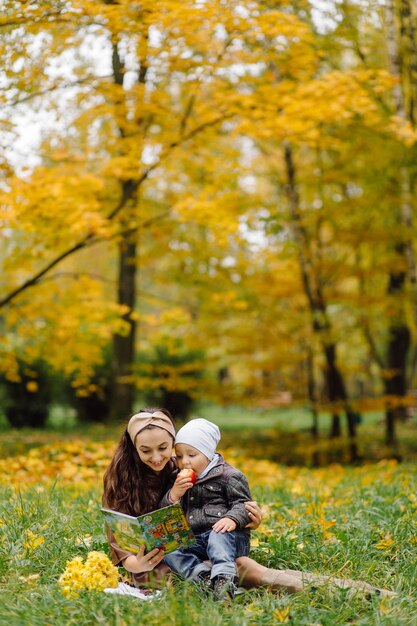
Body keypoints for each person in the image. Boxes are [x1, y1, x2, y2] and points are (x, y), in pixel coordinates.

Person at [102, 408, 396, 597]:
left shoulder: (181, 467)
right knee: (246, 569)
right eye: (146, 451)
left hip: (199, 547)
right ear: (133, 448)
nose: (157, 457)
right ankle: (359, 593)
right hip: (158, 566)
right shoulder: (121, 478)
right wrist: (132, 561)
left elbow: (217, 502)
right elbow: (118, 532)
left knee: (244, 565)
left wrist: (248, 518)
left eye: (165, 448)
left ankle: (362, 592)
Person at [160, 418, 252, 600]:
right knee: (168, 548)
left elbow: (243, 504)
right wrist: (174, 494)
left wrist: (232, 519)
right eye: (179, 456)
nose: (184, 462)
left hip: (229, 539)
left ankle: (224, 580)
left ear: (208, 453)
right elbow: (165, 513)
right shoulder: (177, 479)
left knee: (218, 533)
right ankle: (202, 577)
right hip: (197, 541)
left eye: (191, 455)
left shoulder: (229, 476)